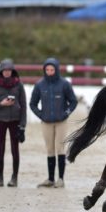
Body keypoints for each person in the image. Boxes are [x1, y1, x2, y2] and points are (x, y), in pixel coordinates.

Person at [30, 58, 78, 188]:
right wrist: (41, 115)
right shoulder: (39, 85)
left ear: (56, 69)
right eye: (47, 70)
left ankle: (61, 179)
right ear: (44, 70)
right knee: (50, 150)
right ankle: (50, 179)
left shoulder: (64, 84)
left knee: (60, 149)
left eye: (52, 69)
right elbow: (32, 104)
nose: (50, 72)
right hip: (46, 123)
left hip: (61, 122)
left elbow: (73, 102)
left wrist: (66, 113)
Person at [0, 59, 27, 187]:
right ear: (1, 71)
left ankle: (14, 178)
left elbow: (24, 106)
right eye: (5, 70)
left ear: (13, 71)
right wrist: (1, 104)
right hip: (0, 121)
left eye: (9, 70)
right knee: (1, 149)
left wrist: (23, 124)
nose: (7, 72)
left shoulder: (19, 85)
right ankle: (0, 178)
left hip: (15, 121)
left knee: (15, 150)